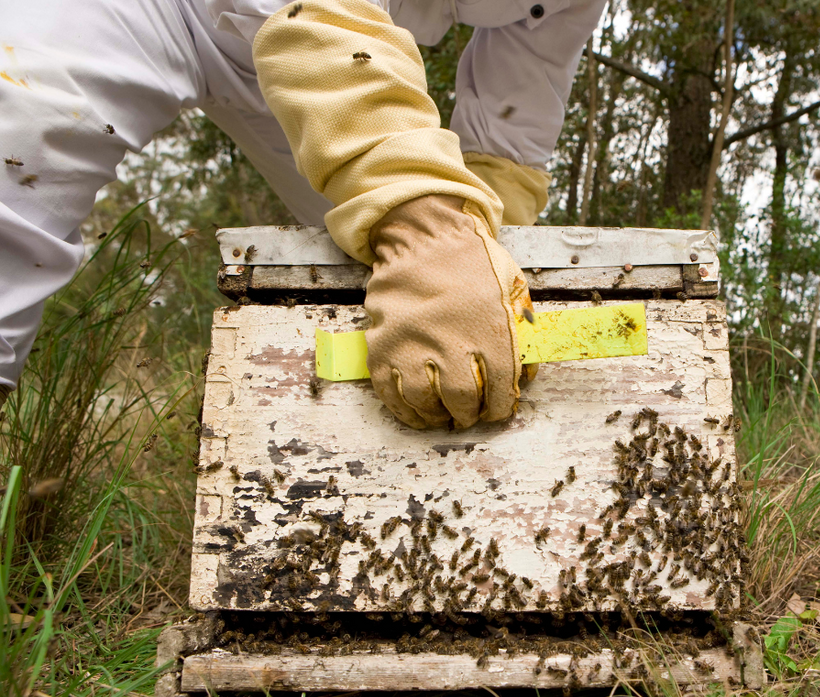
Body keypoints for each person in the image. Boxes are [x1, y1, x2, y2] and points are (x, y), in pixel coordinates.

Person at [0, 0, 606, 428]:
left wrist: (488, 256)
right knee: (20, 130)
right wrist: (422, 221)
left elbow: (514, 115)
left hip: (344, 50)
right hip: (179, 15)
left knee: (375, 270)